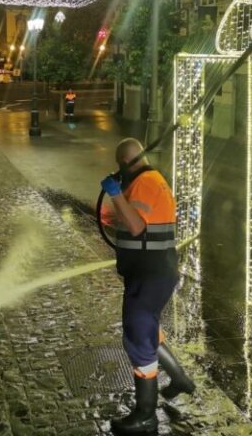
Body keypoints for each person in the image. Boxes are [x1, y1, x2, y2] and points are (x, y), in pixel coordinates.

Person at [100, 138, 196, 434]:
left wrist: (115, 194)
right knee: (149, 329)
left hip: (149, 274)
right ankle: (179, 378)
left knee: (137, 337)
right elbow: (137, 219)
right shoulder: (152, 180)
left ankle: (145, 415)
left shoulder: (144, 183)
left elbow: (137, 226)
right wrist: (114, 207)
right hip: (156, 272)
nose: (118, 172)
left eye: (119, 166)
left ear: (127, 162)